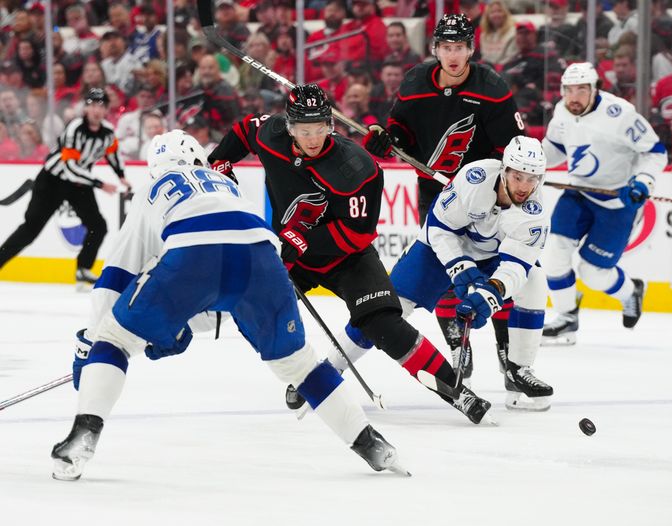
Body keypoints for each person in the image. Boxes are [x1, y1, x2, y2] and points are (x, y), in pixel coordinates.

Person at [50, 130, 405, 481]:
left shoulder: (154, 190)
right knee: (301, 365)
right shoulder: (226, 185)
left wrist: (92, 344)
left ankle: (85, 433)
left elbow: (116, 276)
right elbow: (227, 302)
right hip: (263, 255)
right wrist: (184, 324)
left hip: (194, 247)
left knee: (114, 338)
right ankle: (371, 444)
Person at [208, 84, 492, 425]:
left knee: (382, 323)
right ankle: (310, 377)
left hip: (347, 257)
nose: (313, 138)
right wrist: (220, 161)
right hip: (292, 255)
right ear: (289, 127)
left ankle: (457, 390)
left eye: (320, 128)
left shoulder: (357, 167)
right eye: (304, 130)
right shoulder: (272, 135)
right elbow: (244, 131)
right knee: (259, 307)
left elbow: (357, 233)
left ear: (331, 124)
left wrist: (299, 243)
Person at [331, 136, 555, 411]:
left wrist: (492, 291)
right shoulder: (475, 178)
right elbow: (439, 227)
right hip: (442, 247)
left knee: (535, 281)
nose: (524, 187)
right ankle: (330, 367)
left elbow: (518, 265)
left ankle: (518, 369)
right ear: (504, 169)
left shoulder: (536, 212)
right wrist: (459, 266)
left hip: (492, 258)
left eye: (532, 179)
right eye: (519, 177)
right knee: (387, 308)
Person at [363, 14, 525, 384]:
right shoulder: (416, 82)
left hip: (487, 198)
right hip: (436, 194)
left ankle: (509, 358)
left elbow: (513, 150)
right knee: (445, 266)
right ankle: (457, 342)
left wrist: (494, 184)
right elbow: (399, 132)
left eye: (460, 48)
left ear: (471, 49)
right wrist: (385, 140)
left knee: (497, 270)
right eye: (446, 48)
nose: (453, 56)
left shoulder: (492, 88)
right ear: (436, 48)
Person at [540, 63, 667, 345]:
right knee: (555, 255)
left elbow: (655, 152)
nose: (574, 97)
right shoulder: (562, 110)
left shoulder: (619, 114)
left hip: (617, 201)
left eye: (581, 90)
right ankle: (566, 318)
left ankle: (630, 292)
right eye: (569, 90)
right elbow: (556, 148)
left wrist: (643, 182)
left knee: (593, 273)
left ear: (595, 89)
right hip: (578, 194)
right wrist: (531, 165)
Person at [0, 89, 129, 286]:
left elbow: (112, 154)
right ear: (86, 108)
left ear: (106, 110)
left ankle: (83, 269)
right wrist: (99, 184)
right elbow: (70, 167)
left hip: (78, 184)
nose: (96, 109)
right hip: (52, 181)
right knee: (30, 229)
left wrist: (121, 176)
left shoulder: (108, 132)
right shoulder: (75, 128)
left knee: (98, 226)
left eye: (101, 105)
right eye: (92, 105)